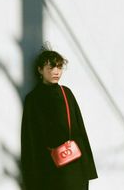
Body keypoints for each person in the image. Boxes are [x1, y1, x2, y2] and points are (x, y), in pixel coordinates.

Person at [21, 49, 98, 190]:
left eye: (59, 67)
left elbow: (80, 130)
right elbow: (29, 138)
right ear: (40, 70)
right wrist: (30, 178)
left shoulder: (66, 93)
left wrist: (87, 169)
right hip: (46, 168)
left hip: (73, 166)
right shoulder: (33, 99)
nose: (56, 71)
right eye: (51, 67)